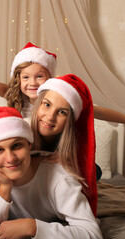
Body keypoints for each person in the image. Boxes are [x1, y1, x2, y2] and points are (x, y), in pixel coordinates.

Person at [0, 106, 103, 239]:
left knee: (89, 176)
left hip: (67, 174)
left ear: (29, 145)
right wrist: (4, 188)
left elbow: (92, 234)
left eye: (17, 145)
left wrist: (33, 227)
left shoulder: (59, 178)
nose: (10, 158)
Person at [0, 42, 125, 134]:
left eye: (39, 76)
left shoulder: (58, 98)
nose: (32, 83)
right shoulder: (19, 99)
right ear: (18, 81)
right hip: (31, 155)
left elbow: (96, 111)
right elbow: (6, 91)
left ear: (50, 78)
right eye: (26, 77)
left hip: (57, 153)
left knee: (91, 171)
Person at [31, 73, 98, 217]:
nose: (50, 117)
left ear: (71, 120)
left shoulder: (74, 143)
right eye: (47, 104)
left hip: (73, 168)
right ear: (38, 103)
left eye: (62, 112)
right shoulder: (20, 133)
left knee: (94, 170)